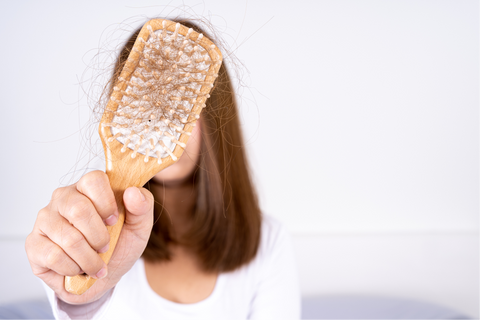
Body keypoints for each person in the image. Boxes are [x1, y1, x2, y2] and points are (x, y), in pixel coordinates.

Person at [25, 19, 300, 320]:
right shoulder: (93, 233)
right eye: (145, 104)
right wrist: (83, 300)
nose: (159, 123)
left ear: (215, 117)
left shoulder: (270, 243)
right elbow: (77, 294)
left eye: (178, 106)